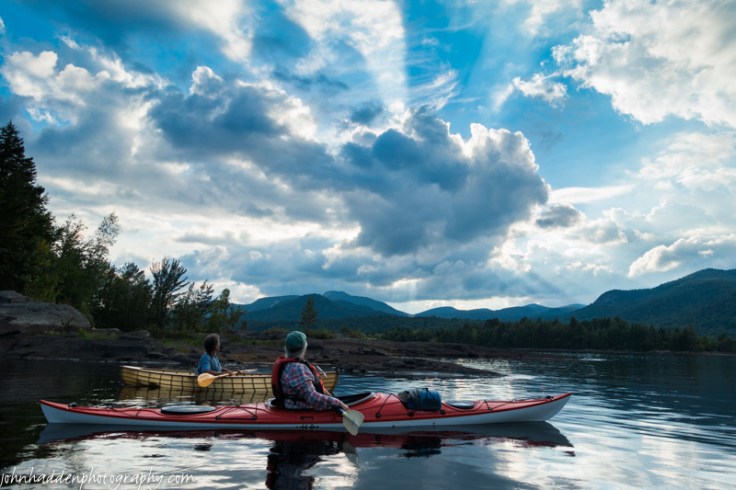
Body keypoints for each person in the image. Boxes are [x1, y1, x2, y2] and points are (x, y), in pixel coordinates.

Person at [271, 330, 349, 411]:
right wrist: (339, 403)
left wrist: (328, 395)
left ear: (286, 348)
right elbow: (313, 398)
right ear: (304, 348)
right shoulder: (298, 369)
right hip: (300, 409)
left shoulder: (287, 365)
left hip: (290, 404)